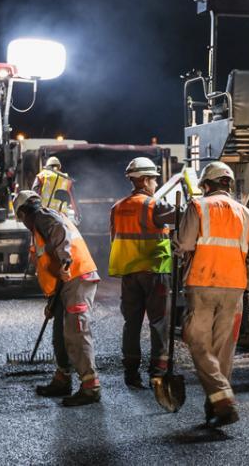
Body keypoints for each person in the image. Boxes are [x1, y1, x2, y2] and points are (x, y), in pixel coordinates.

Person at [174, 161, 249, 428]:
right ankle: (215, 405)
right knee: (222, 349)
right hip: (234, 289)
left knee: (198, 343)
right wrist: (248, 285)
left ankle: (223, 400)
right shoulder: (245, 213)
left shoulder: (198, 207)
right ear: (228, 184)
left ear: (206, 185)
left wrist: (174, 242)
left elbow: (186, 244)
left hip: (202, 284)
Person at [15, 190, 102, 407]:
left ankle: (91, 387)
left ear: (24, 212)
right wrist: (52, 301)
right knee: (60, 335)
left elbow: (59, 232)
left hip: (76, 277)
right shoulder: (38, 226)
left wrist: (65, 261)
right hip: (65, 285)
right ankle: (63, 378)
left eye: (20, 218)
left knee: (76, 332)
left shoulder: (44, 216)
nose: (23, 222)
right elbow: (47, 263)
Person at [109, 157, 175, 389]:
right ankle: (158, 372)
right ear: (145, 180)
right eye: (154, 180)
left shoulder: (117, 208)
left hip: (129, 273)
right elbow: (184, 217)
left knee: (132, 323)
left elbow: (115, 237)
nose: (156, 184)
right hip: (154, 271)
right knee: (159, 322)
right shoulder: (153, 205)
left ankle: (131, 373)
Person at [32, 156, 79, 223]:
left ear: (48, 166)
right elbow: (73, 198)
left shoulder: (41, 176)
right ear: (59, 167)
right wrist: (77, 213)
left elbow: (34, 194)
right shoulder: (66, 179)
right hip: (61, 216)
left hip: (44, 212)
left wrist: (33, 212)